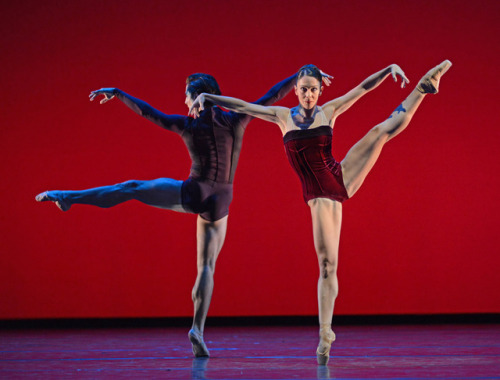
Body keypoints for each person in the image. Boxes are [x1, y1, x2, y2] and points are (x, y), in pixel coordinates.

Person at [35, 70, 331, 357]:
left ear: (200, 98)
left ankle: (68, 197)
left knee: (132, 188)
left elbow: (150, 114)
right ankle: (197, 330)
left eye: (187, 98)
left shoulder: (189, 125)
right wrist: (301, 75)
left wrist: (120, 93)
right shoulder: (237, 119)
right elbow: (270, 96)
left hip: (195, 192)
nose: (186, 104)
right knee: (207, 267)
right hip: (221, 199)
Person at [189, 60, 452, 365]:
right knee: (327, 265)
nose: (309, 96)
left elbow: (362, 89)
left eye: (314, 90)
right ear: (296, 91)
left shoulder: (329, 110)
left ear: (320, 88)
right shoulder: (282, 116)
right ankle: (326, 333)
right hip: (320, 196)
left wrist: (387, 69)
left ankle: (422, 88)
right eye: (303, 90)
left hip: (339, 176)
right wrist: (209, 98)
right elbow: (243, 106)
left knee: (381, 132)